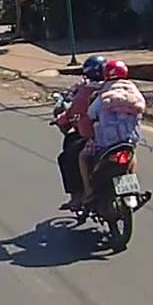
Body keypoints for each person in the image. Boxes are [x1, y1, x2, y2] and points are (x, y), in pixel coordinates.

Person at [80, 60, 145, 203]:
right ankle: (133, 188)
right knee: (132, 155)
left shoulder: (103, 94)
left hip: (105, 143)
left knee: (83, 157)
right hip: (129, 141)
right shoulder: (135, 93)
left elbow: (91, 114)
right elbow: (141, 110)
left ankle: (88, 192)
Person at [56, 56, 105, 210]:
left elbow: (72, 113)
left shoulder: (86, 93)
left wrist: (61, 120)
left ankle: (78, 196)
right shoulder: (117, 89)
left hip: (93, 138)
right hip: (121, 139)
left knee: (67, 158)